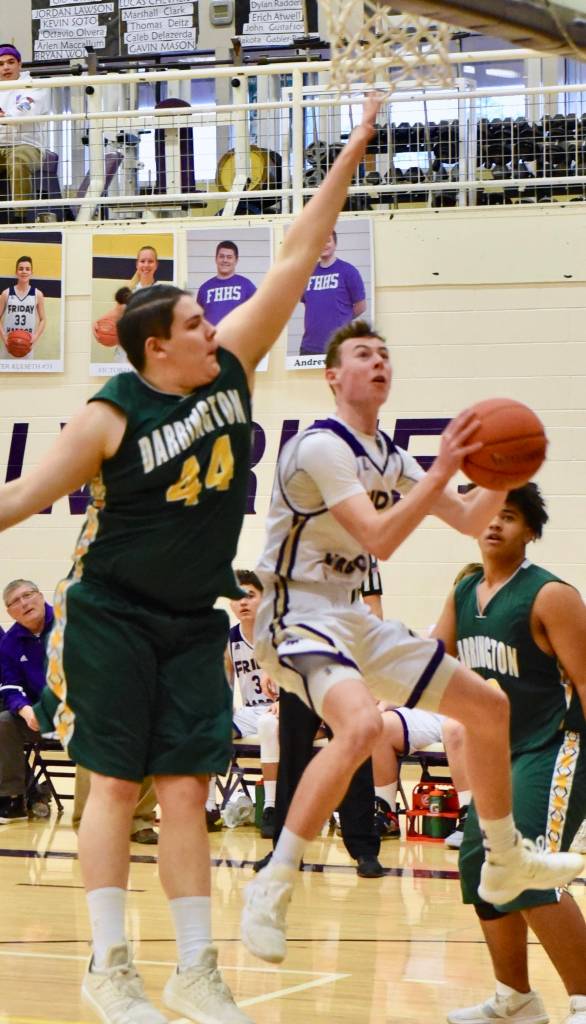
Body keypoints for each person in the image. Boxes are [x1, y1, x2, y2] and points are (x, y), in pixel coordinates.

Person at [0, 95, 385, 1024]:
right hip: (109, 611)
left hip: (187, 619)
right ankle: (109, 965)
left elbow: (294, 258)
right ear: (155, 349)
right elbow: (15, 500)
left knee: (185, 788)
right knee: (120, 783)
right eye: (196, 328)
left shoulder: (230, 372)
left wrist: (353, 149)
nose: (216, 328)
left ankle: (197, 971)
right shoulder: (107, 416)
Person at [240, 318, 584, 965]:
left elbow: (463, 517)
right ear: (333, 375)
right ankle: (273, 881)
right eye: (363, 354)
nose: (378, 363)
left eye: (385, 355)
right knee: (360, 726)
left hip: (351, 618)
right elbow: (380, 539)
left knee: (488, 708)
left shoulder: (388, 454)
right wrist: (443, 469)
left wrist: (504, 471)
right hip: (294, 615)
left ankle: (506, 859)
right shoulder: (319, 448)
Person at [432, 484, 586, 1024]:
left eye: (511, 516)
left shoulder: (551, 596)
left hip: (556, 744)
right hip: (499, 752)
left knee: (526, 869)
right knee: (480, 864)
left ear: (532, 533)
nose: (495, 524)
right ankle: (515, 1000)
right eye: (488, 514)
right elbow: (430, 665)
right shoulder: (463, 594)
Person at [206, 570, 279, 837]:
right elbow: (226, 683)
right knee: (212, 726)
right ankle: (209, 805)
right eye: (237, 597)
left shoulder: (278, 634)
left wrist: (284, 701)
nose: (243, 602)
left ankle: (271, 806)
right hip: (250, 711)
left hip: (281, 710)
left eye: (250, 595)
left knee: (268, 723)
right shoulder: (229, 638)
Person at [0, 579, 53, 823]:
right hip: (33, 715)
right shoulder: (11, 641)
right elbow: (10, 685)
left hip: (83, 714)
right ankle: (20, 795)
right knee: (5, 721)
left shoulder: (73, 624)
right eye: (15, 602)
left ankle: (29, 793)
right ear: (9, 611)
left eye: (28, 595)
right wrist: (25, 710)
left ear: (41, 596)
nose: (24, 603)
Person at [0, 45, 50, 220]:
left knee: (18, 160)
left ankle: (19, 217)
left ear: (19, 64)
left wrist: (6, 116)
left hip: (28, 146)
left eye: (10, 62)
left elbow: (24, 111)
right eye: (1, 64)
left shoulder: (33, 87)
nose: (5, 67)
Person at [299, 229, 366, 357]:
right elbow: (308, 303)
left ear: (335, 243)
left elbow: (361, 306)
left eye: (328, 240)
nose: (324, 244)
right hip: (310, 348)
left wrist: (342, 319)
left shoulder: (348, 271)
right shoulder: (307, 273)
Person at [196, 241, 257, 326]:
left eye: (229, 257)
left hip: (236, 338)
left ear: (236, 260)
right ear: (216, 259)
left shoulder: (246, 286)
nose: (225, 260)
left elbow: (258, 314)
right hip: (212, 338)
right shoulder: (204, 288)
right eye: (221, 256)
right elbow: (199, 320)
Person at [0, 255, 46, 360]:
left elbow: (43, 320)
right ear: (16, 272)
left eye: (27, 269)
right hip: (8, 345)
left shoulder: (37, 294)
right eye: (21, 269)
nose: (24, 271)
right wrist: (4, 338)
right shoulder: (6, 293)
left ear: (31, 273)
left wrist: (35, 337)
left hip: (27, 345)